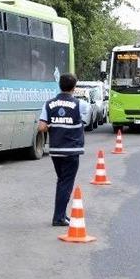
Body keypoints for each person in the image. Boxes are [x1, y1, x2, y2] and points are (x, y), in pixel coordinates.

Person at [38, 73, 89, 227]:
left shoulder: (48, 104)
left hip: (55, 151)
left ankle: (60, 215)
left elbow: (41, 127)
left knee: (62, 182)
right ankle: (59, 217)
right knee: (65, 184)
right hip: (72, 151)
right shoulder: (80, 105)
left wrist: (54, 125)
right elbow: (85, 122)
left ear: (59, 85)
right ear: (74, 87)